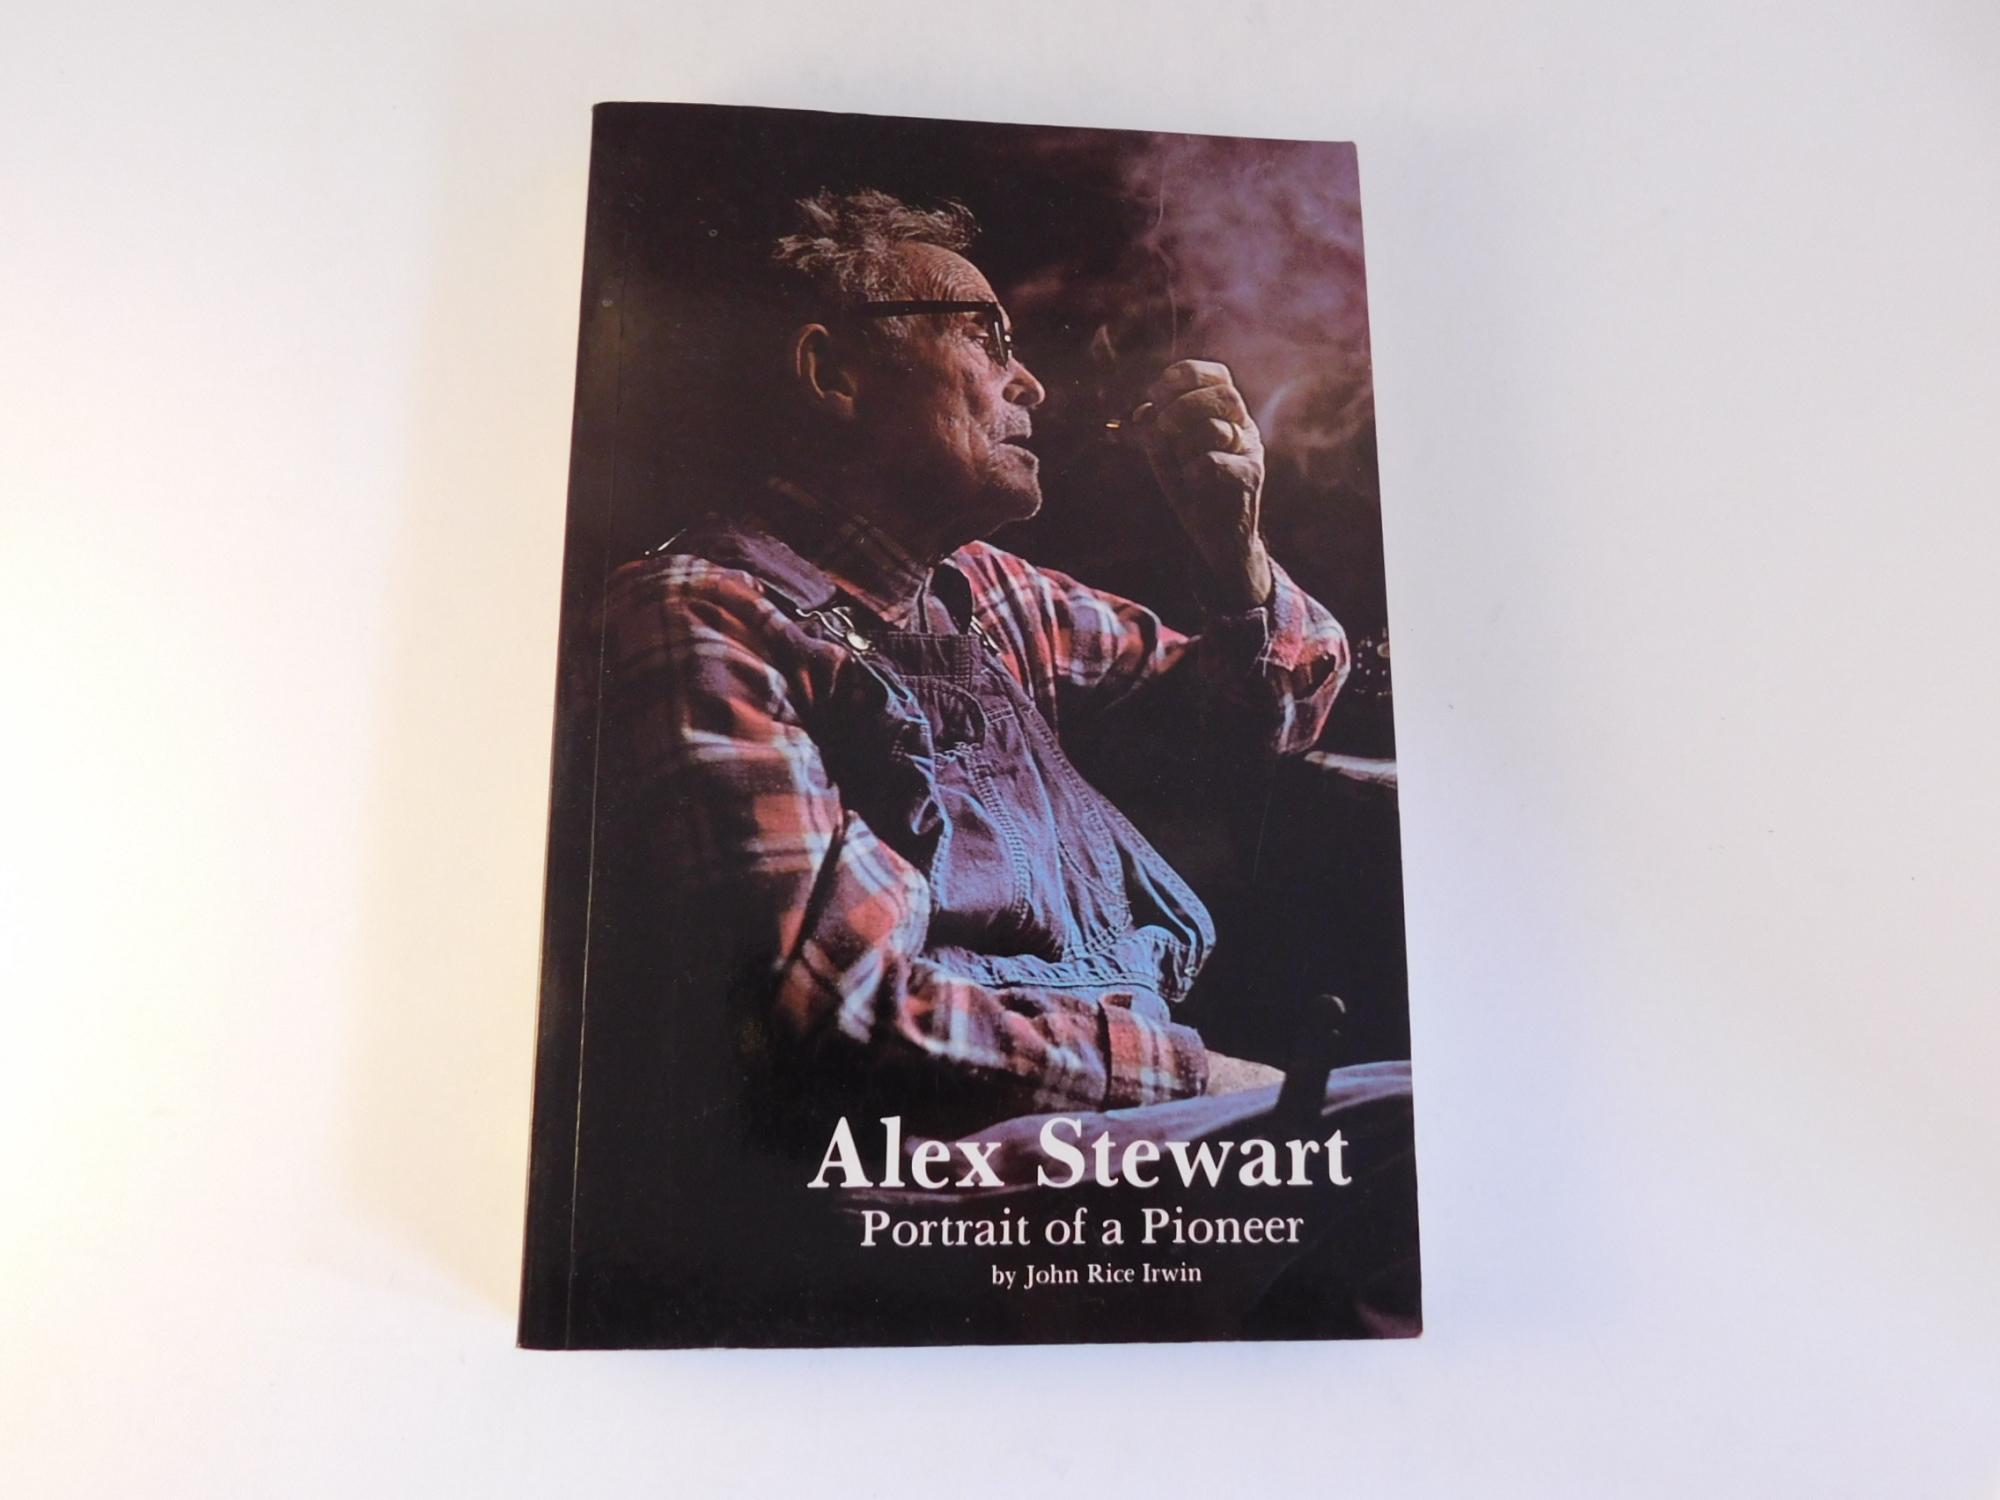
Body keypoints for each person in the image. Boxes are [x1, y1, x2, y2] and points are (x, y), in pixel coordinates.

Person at [599, 189, 1385, 1149]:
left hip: (1112, 1119)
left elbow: (1259, 715)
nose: (1033, 385)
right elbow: (832, 1016)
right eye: (986, 337)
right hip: (923, 1164)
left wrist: (1236, 555)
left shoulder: (987, 593)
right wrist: (1199, 1077)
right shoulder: (702, 613)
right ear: (832, 373)